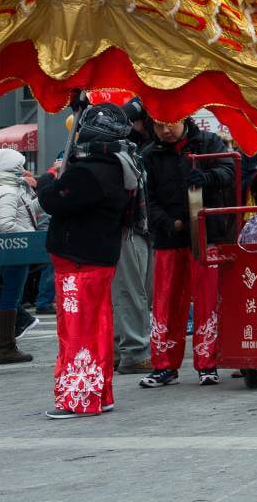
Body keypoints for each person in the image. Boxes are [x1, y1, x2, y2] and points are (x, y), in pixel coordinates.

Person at [36, 103, 138, 418]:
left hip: (78, 260)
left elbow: (52, 201)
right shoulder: (121, 166)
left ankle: (78, 397)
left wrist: (46, 180)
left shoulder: (89, 172)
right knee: (97, 327)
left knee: (77, 330)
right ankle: (99, 392)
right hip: (98, 258)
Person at [138, 114, 235, 389]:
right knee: (166, 303)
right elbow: (148, 198)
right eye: (158, 124)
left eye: (170, 123)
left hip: (207, 233)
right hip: (170, 236)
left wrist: (207, 176)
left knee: (206, 300)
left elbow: (229, 172)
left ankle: (208, 364)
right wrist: (169, 223)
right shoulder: (150, 154)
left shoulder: (209, 142)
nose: (165, 129)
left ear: (184, 119)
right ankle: (164, 366)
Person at [110, 98, 154, 375]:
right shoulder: (123, 149)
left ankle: (122, 350)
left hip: (137, 227)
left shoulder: (136, 148)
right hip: (128, 229)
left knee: (135, 293)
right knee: (131, 293)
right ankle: (133, 353)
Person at [0, 148, 41, 365]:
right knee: (11, 296)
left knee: (11, 295)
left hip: (14, 250)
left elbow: (24, 211)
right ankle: (6, 346)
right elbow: (5, 224)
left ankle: (6, 344)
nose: (24, 170)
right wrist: (27, 237)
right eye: (20, 166)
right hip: (15, 250)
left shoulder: (13, 188)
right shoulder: (8, 190)